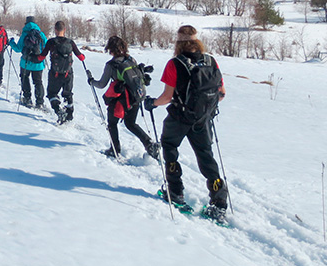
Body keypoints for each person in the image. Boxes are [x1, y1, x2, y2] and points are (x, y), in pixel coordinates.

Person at [144, 25, 228, 222]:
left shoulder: (175, 64)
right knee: (206, 155)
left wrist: (152, 103)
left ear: (179, 43)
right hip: (203, 118)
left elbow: (167, 97)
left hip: (180, 117)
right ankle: (218, 202)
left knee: (169, 147)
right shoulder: (211, 61)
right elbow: (222, 93)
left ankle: (175, 192)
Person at [86, 35, 159, 160]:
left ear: (111, 49)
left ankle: (114, 149)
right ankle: (149, 144)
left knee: (112, 123)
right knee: (130, 123)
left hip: (121, 99)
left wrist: (91, 81)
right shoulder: (131, 59)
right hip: (136, 97)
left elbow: (102, 84)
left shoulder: (112, 65)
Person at [36, 21, 85, 124]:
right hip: (68, 73)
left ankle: (59, 111)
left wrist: (35, 57)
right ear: (65, 30)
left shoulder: (51, 42)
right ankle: (69, 114)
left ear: (55, 30)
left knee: (52, 93)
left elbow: (41, 57)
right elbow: (81, 57)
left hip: (55, 74)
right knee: (68, 93)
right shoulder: (70, 42)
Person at [9, 16, 47, 109]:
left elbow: (18, 49)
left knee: (25, 78)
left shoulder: (25, 34)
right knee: (38, 82)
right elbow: (46, 46)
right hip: (38, 63)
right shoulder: (41, 34)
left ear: (26, 24)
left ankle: (27, 99)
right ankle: (39, 102)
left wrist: (11, 42)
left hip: (25, 62)